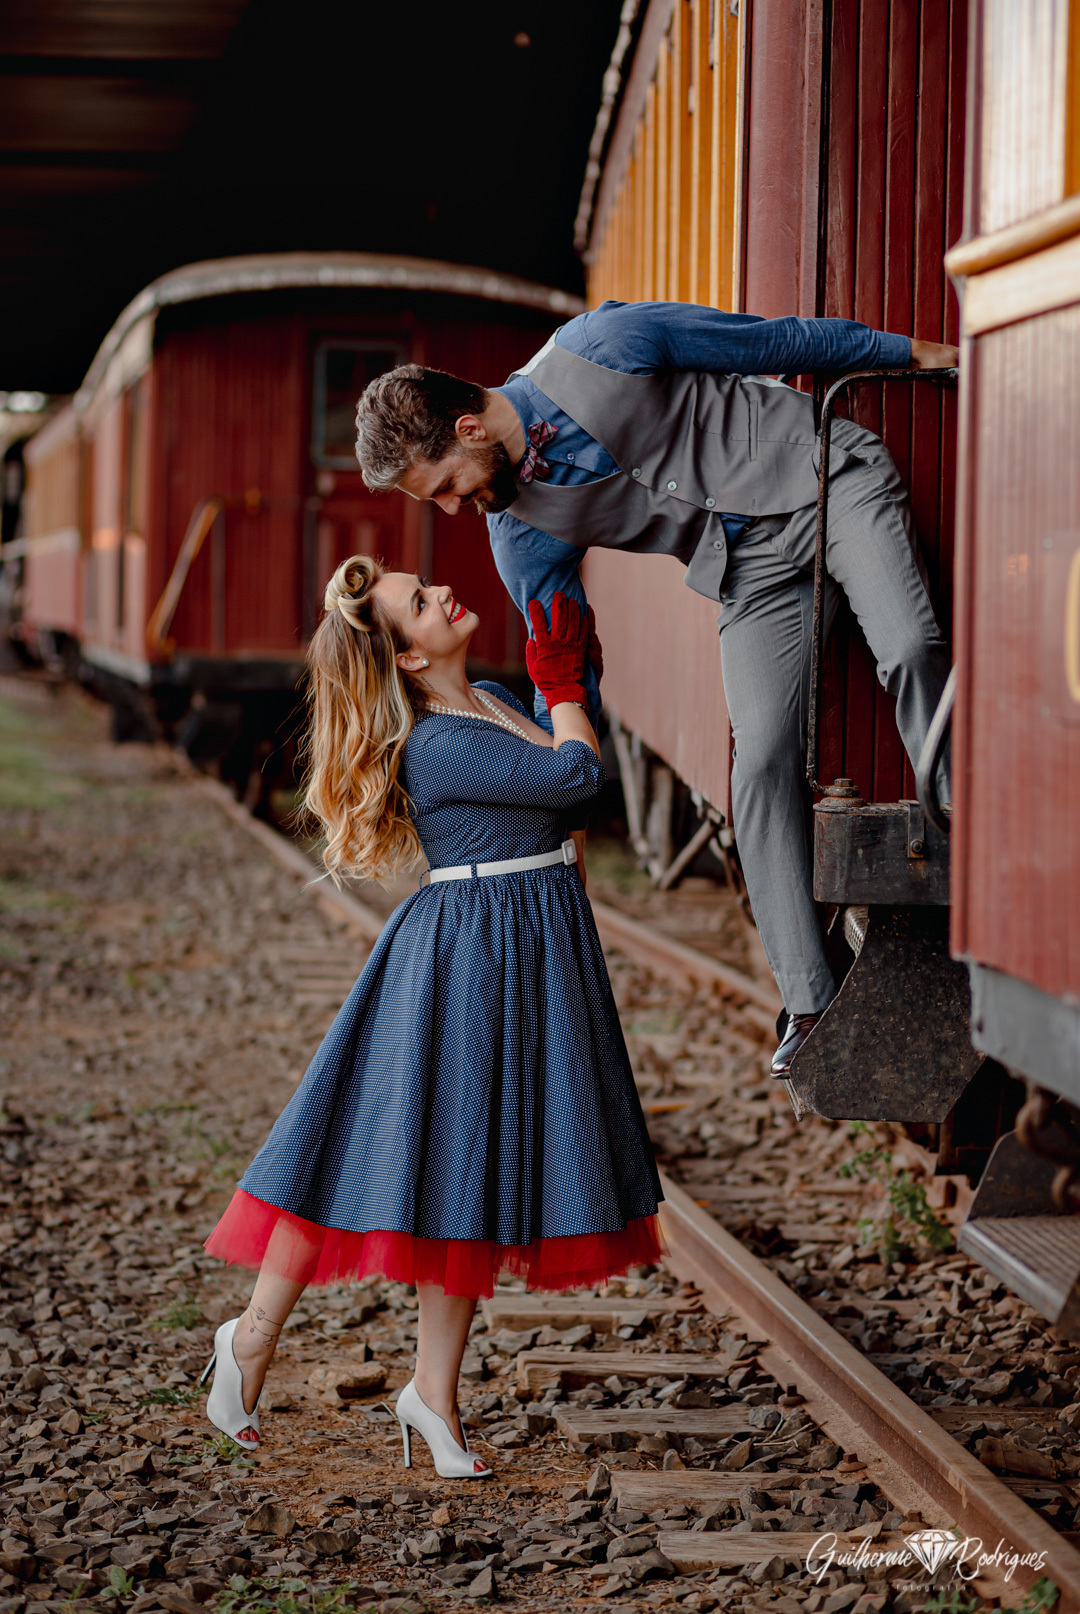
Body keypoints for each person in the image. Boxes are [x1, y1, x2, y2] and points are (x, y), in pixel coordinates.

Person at [353, 300, 958, 1077]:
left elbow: (770, 339)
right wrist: (557, 797)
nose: (449, 509)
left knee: (908, 645)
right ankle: (809, 1002)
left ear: (469, 429)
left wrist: (910, 353)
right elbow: (560, 668)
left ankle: (953, 850)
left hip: (826, 480)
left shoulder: (601, 344)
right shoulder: (519, 531)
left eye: (443, 486)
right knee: (760, 760)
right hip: (752, 574)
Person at [200, 556, 663, 1477]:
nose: (444, 591)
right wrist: (564, 683)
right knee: (355, 1152)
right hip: (463, 963)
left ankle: (433, 1399)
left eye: (428, 584)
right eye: (422, 602)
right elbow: (576, 782)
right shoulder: (438, 742)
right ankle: (248, 1338)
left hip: (521, 949)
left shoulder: (486, 699)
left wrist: (548, 690)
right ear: (409, 658)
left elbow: (558, 802)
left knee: (468, 1176)